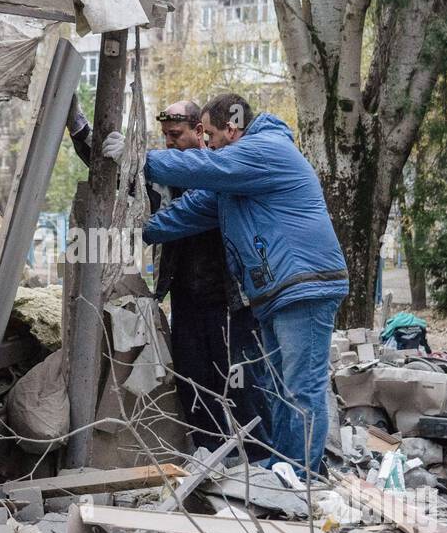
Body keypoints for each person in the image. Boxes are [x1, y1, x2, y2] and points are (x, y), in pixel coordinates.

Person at [142, 93, 348, 475]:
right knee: (281, 389)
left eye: (211, 134)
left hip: (303, 285)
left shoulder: (263, 150)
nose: (207, 142)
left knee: (302, 388)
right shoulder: (235, 179)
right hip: (276, 292)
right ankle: (283, 468)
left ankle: (301, 475)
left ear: (232, 128)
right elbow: (190, 212)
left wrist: (139, 161)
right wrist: (143, 229)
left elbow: (204, 167)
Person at [151, 101, 269, 451]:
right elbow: (125, 176)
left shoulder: (221, 171)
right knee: (192, 381)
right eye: (165, 137)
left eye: (176, 135)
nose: (169, 143)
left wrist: (149, 229)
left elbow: (190, 215)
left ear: (199, 132)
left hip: (229, 300)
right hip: (186, 298)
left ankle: (262, 460)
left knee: (240, 384)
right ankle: (209, 457)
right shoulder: (168, 179)